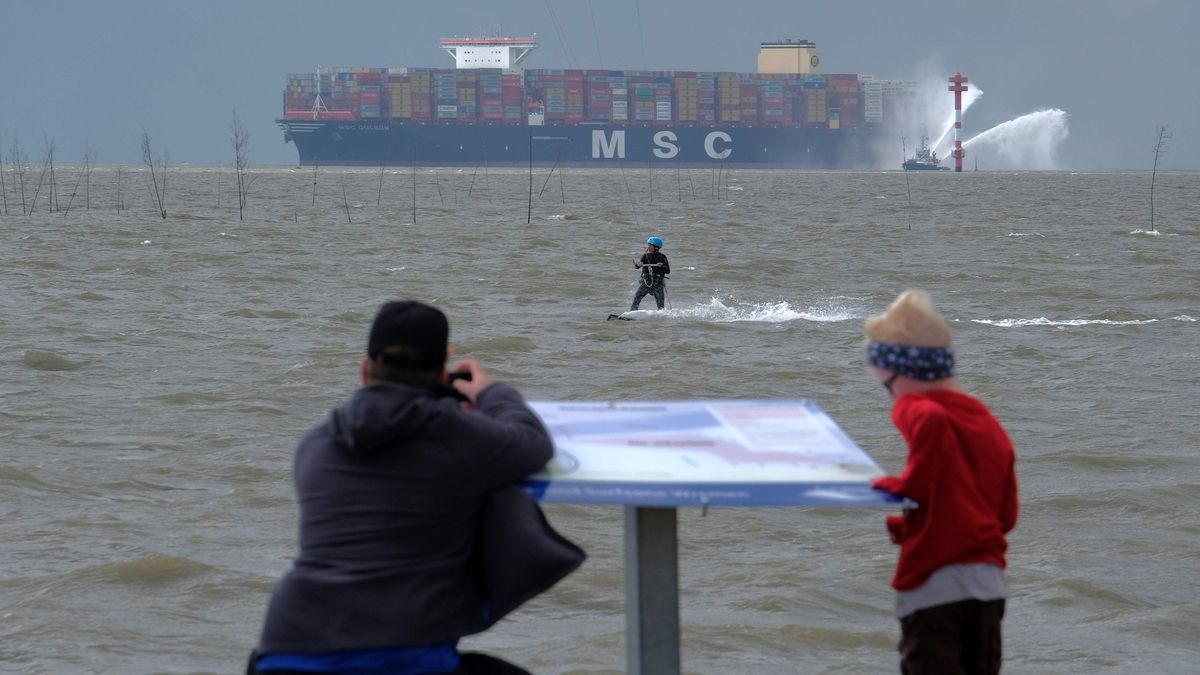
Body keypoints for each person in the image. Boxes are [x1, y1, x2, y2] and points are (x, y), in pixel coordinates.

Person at [250, 300, 565, 675]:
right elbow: (533, 443)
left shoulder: (317, 443)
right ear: (440, 375)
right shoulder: (457, 436)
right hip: (401, 656)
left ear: (365, 370)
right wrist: (490, 391)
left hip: (284, 651)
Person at [864, 290, 1019, 675]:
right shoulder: (986, 420)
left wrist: (900, 487)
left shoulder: (917, 407)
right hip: (988, 586)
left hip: (934, 588)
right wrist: (915, 520)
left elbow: (929, 427)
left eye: (887, 386)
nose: (891, 398)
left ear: (906, 374)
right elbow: (1006, 514)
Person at [629, 235, 671, 311]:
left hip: (657, 284)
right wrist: (638, 264)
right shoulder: (645, 256)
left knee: (660, 306)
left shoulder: (662, 257)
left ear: (656, 248)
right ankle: (632, 313)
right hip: (646, 283)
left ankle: (661, 316)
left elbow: (668, 271)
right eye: (648, 245)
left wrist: (662, 266)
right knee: (637, 298)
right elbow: (637, 267)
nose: (648, 247)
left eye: (650, 246)